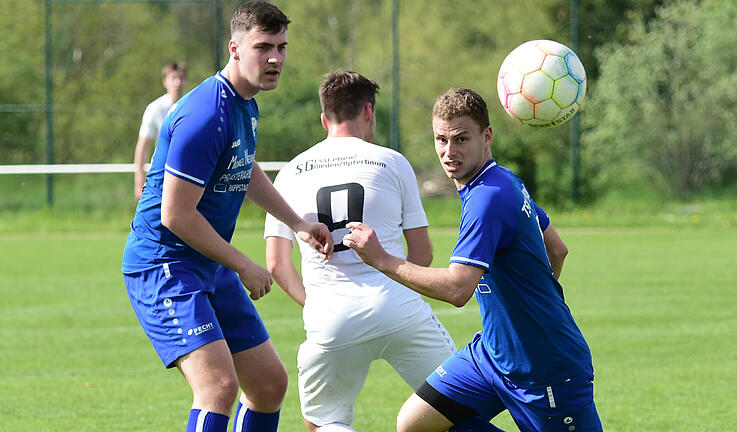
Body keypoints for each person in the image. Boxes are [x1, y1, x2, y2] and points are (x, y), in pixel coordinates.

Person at [121, 2, 333, 432]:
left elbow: (244, 167)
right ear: (234, 48)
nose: (275, 58)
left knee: (270, 384)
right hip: (166, 265)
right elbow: (176, 215)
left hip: (207, 263)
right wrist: (244, 264)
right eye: (263, 47)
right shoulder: (205, 113)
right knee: (218, 386)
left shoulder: (245, 104)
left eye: (281, 47)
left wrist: (298, 222)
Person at [343, 88, 602, 432]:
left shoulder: (487, 199)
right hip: (494, 355)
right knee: (414, 423)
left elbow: (457, 289)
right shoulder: (504, 180)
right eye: (441, 140)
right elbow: (557, 249)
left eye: (461, 139)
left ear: (487, 136)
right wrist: (516, 320)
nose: (449, 152)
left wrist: (381, 259)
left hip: (545, 368)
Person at [263, 70, 456, 432]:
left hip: (330, 318)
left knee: (325, 423)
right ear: (369, 112)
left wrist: (320, 303)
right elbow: (423, 253)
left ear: (324, 118)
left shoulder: (289, 172)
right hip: (399, 309)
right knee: (456, 410)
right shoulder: (391, 161)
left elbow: (276, 264)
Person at [133, 61, 188, 201]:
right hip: (162, 175)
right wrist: (139, 180)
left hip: (189, 174)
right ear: (165, 82)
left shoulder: (193, 106)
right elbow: (143, 146)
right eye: (173, 78)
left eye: (181, 78)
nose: (177, 82)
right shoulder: (154, 109)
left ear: (186, 81)